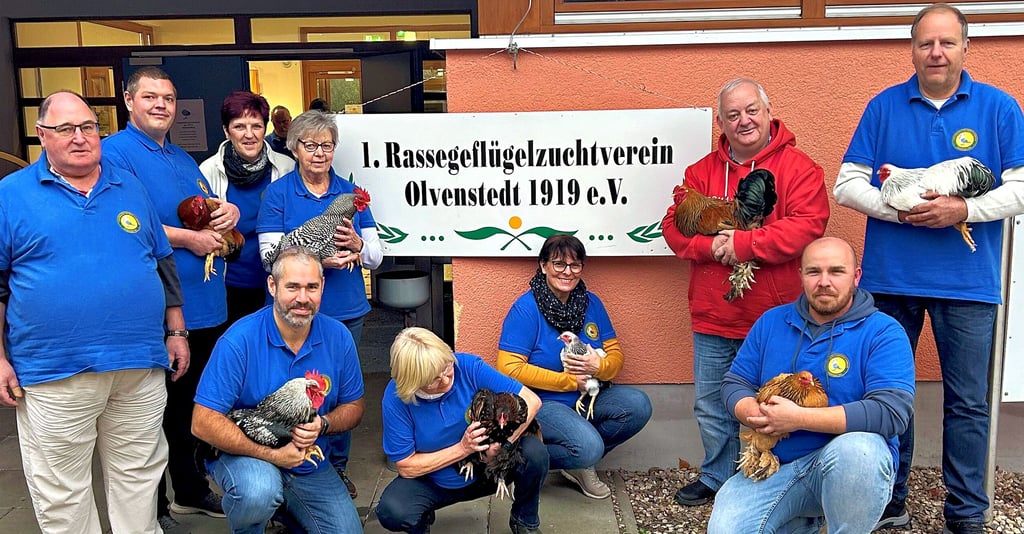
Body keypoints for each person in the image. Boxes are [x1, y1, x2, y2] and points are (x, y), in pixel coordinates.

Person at [833, 5, 1024, 532]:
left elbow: (1022, 187)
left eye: (946, 42)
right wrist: (902, 210)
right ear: (912, 48)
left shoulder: (998, 108)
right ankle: (888, 501)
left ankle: (965, 515)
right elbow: (846, 184)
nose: (936, 52)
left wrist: (961, 210)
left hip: (969, 284)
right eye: (925, 43)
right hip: (890, 280)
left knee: (968, 404)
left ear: (966, 47)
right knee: (887, 398)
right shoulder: (883, 107)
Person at [0, 90, 187, 534]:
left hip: (138, 367)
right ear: (42, 136)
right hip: (55, 371)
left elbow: (161, 260)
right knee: (63, 491)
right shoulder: (10, 195)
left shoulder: (128, 184)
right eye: (66, 129)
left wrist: (177, 331)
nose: (80, 138)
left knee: (139, 476)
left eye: (87, 127)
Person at [661, 78, 830, 506]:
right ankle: (718, 476)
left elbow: (808, 225)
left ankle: (777, 477)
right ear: (721, 122)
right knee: (713, 404)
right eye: (733, 114)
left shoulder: (799, 168)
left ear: (768, 112)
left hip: (778, 315)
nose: (744, 121)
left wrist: (744, 244)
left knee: (780, 399)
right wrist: (711, 247)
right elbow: (672, 227)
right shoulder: (700, 171)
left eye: (751, 110)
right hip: (715, 313)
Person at [103, 66, 240, 528]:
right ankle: (152, 510)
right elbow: (122, 225)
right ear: (128, 100)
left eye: (167, 97)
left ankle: (191, 489)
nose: (161, 105)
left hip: (205, 304)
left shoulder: (183, 159)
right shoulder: (114, 155)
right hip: (162, 310)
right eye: (150, 97)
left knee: (191, 408)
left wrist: (227, 214)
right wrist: (187, 240)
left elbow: (204, 214)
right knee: (149, 418)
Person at [706, 237, 915, 533]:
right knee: (726, 530)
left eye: (836, 272)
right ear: (801, 276)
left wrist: (797, 419)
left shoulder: (883, 332)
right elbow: (734, 383)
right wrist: (755, 412)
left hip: (848, 469)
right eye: (814, 271)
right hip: (775, 464)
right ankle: (800, 521)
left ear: (856, 276)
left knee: (860, 450)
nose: (824, 282)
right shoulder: (772, 322)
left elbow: (891, 413)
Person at [192, 246, 364, 533]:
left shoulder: (338, 337)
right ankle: (251, 524)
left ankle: (287, 513)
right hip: (246, 455)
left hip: (306, 460)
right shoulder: (240, 340)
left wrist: (323, 424)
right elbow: (202, 422)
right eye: (292, 287)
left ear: (322, 287)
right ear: (272, 285)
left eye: (311, 287)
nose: (302, 298)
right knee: (258, 492)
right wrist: (273, 455)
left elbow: (355, 407)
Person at [257, 109, 383, 497]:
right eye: (310, 145)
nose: (319, 153)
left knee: (340, 392)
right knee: (291, 392)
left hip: (344, 309)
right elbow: (267, 255)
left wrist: (360, 247)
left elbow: (377, 254)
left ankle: (336, 468)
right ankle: (287, 464)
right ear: (295, 149)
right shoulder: (278, 193)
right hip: (291, 312)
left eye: (326, 145)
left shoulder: (347, 193)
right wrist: (318, 261)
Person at [497, 234, 652, 500]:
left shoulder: (591, 303)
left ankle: (578, 462)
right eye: (558, 264)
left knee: (638, 406)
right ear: (543, 265)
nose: (567, 272)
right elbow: (508, 368)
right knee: (588, 447)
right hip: (542, 402)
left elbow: (616, 356)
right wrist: (569, 382)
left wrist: (599, 366)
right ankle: (520, 463)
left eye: (575, 265)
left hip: (588, 397)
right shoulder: (526, 309)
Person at [376, 327, 547, 534]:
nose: (446, 380)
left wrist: (501, 447)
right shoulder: (396, 399)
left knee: (534, 453)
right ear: (413, 383)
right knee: (391, 511)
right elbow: (406, 466)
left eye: (446, 368)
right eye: (434, 379)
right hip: (434, 480)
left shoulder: (466, 366)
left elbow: (531, 401)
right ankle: (421, 520)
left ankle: (524, 521)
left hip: (486, 470)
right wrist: (463, 449)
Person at [200, 92, 295, 324]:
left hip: (277, 282)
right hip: (228, 283)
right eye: (239, 126)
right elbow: (197, 230)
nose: (249, 134)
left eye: (257, 126)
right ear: (226, 130)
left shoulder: (287, 168)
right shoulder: (208, 171)